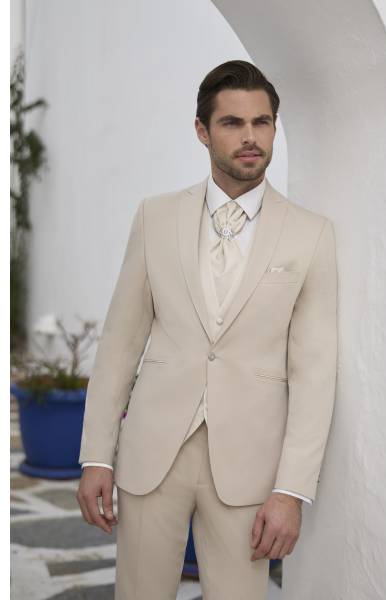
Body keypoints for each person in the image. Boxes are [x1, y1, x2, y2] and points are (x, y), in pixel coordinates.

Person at [76, 59, 338, 599]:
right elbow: (120, 344)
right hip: (152, 455)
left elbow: (315, 374)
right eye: (232, 123)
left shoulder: (311, 235)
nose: (250, 137)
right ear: (202, 130)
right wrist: (97, 455)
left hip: (249, 467)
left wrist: (292, 490)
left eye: (262, 122)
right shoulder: (154, 218)